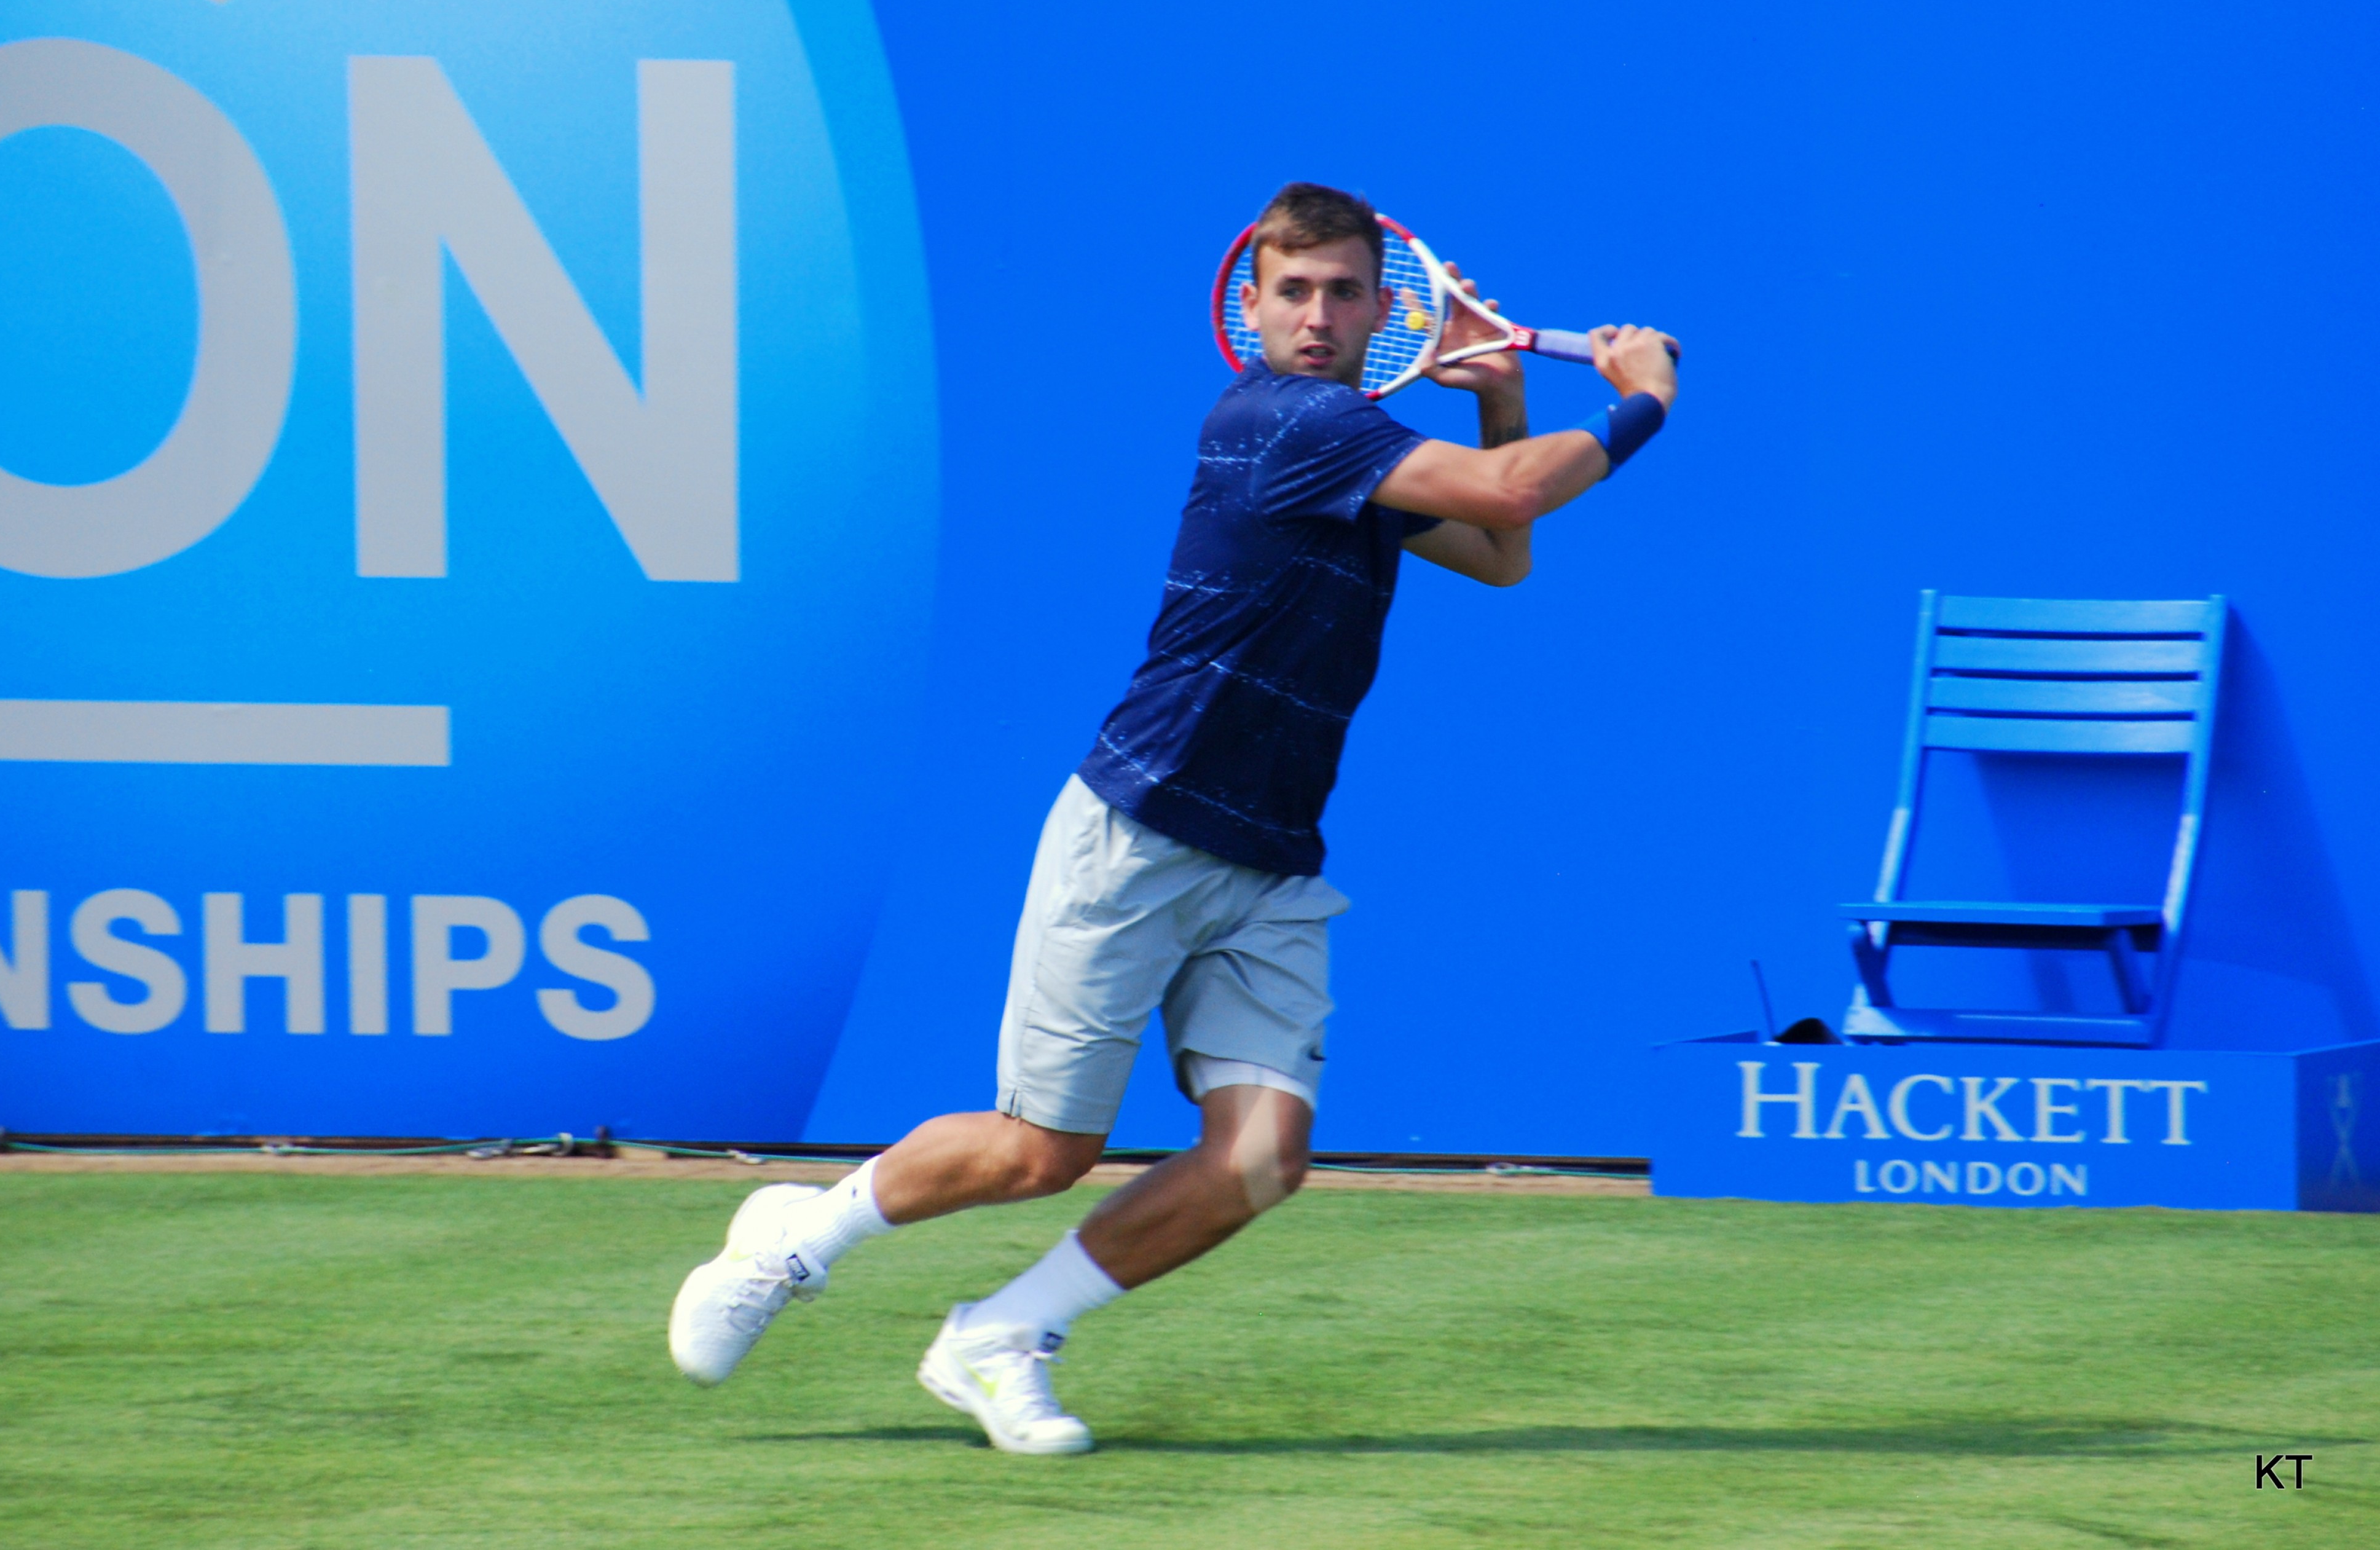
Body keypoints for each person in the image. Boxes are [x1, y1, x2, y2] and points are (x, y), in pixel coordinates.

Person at [669, 182, 1680, 1454]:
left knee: (1261, 1156)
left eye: (1342, 292)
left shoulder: (1358, 446)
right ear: (1250, 307)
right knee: (1041, 1149)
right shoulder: (1283, 421)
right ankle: (797, 1241)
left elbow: (1497, 550)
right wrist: (1640, 401)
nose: (1316, 315)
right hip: (1140, 832)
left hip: (1269, 857)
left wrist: (1495, 389)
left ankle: (999, 1334)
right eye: (1292, 291)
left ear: (1383, 310)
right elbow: (1513, 498)